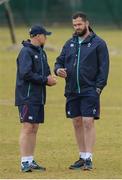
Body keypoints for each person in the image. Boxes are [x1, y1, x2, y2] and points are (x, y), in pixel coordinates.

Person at [54, 12, 109, 170]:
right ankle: (82, 156)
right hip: (72, 90)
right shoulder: (70, 43)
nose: (77, 27)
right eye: (74, 25)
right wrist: (58, 70)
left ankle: (89, 158)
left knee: (88, 122)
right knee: (77, 122)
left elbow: (103, 69)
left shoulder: (99, 43)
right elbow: (59, 61)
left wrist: (97, 88)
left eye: (79, 24)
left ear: (86, 23)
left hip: (90, 90)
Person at [15, 25, 57, 172]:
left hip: (38, 97)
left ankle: (30, 160)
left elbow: (45, 72)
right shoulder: (26, 52)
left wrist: (51, 77)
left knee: (34, 128)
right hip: (27, 97)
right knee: (27, 127)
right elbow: (25, 73)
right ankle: (24, 162)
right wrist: (45, 80)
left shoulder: (42, 52)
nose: (46, 38)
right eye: (45, 35)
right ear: (38, 36)